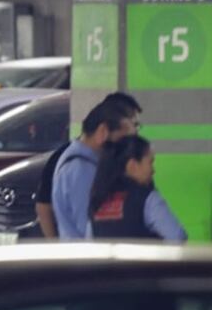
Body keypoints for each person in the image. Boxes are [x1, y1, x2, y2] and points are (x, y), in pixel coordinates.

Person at [35, 93, 142, 238]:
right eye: (124, 140)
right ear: (103, 131)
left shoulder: (84, 162)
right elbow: (93, 231)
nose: (127, 148)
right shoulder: (81, 170)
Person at [88, 135, 186, 241]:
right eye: (150, 162)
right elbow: (177, 236)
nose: (153, 170)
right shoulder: (147, 198)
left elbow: (89, 241)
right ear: (132, 166)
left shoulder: (98, 201)